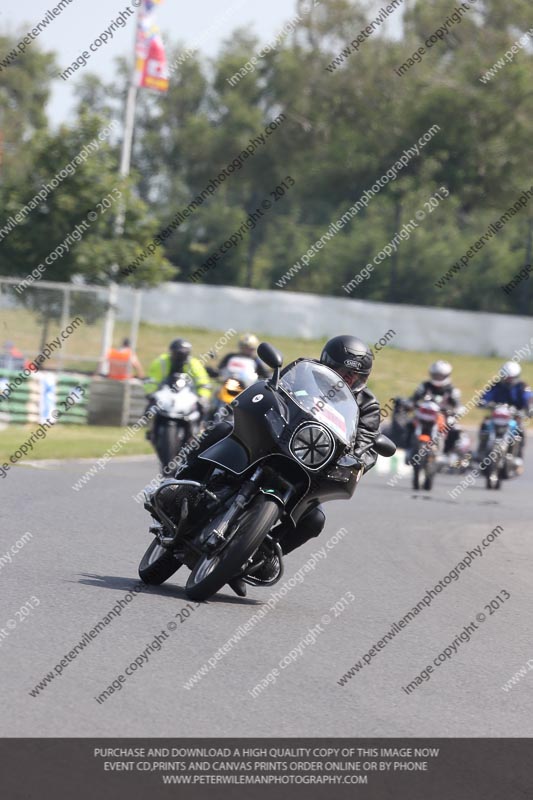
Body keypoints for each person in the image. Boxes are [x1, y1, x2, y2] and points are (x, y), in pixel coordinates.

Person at [173, 334, 381, 596]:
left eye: (355, 376)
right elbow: (275, 388)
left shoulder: (368, 405)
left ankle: (256, 557)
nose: (348, 379)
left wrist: (359, 457)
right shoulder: (305, 371)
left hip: (313, 466)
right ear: (328, 364)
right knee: (223, 428)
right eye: (342, 372)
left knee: (314, 520)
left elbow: (367, 442)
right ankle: (181, 480)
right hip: (277, 442)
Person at [144, 339, 212, 441]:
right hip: (166, 393)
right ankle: (152, 430)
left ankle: (199, 432)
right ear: (171, 352)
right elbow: (152, 380)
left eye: (183, 353)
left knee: (203, 407)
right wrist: (151, 393)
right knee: (150, 406)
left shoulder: (194, 363)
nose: (180, 355)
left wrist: (203, 396)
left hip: (187, 395)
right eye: (178, 353)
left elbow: (203, 381)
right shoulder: (161, 362)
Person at [477, 361, 532, 458]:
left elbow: (528, 399)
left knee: (520, 430)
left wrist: (529, 409)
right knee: (485, 425)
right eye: (505, 377)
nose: (507, 380)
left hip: (514, 416)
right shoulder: (495, 385)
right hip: (497, 415)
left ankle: (517, 456)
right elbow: (485, 397)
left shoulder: (523, 387)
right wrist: (483, 402)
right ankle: (481, 449)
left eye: (510, 378)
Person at [409, 360, 461, 455]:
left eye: (440, 376)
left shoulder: (452, 390)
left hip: (442, 416)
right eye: (436, 375)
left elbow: (457, 405)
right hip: (424, 414)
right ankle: (407, 447)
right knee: (409, 423)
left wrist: (453, 411)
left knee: (455, 429)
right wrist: (411, 404)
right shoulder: (424, 386)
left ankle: (447, 452)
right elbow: (414, 399)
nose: (438, 378)